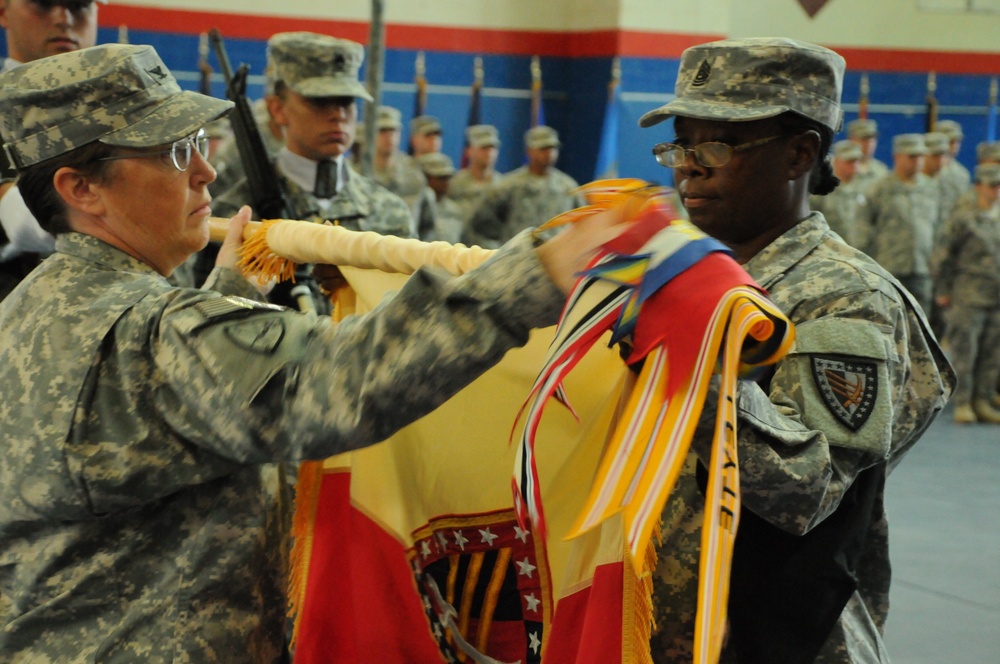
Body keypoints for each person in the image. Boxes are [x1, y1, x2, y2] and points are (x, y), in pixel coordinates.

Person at [0, 43, 624, 662]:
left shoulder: (38, 307)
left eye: (197, 144)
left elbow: (163, 411)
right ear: (80, 188)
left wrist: (231, 294)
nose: (204, 171)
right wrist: (533, 275)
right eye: (172, 151)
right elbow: (340, 380)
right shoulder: (149, 333)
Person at [637, 37, 953, 663]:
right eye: (681, 144)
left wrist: (687, 362)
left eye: (715, 146)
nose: (688, 167)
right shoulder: (688, 274)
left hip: (777, 639)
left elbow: (806, 491)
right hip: (662, 628)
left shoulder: (844, 298)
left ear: (799, 154)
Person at [209, 32, 414, 310]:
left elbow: (404, 311)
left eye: (346, 102)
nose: (338, 115)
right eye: (320, 101)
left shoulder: (390, 212)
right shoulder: (234, 216)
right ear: (277, 109)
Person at [0, 0, 102, 301]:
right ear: (4, 10)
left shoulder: (125, 110)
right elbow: (23, 222)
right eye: (44, 4)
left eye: (79, 5)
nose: (64, 18)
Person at [931, 163, 1000, 424]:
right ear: (979, 187)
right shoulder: (963, 217)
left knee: (992, 352)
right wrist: (943, 290)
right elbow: (942, 256)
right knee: (965, 352)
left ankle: (982, 400)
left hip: (996, 296)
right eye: (992, 185)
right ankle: (963, 402)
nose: (997, 191)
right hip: (968, 294)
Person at [856, 133, 940, 315]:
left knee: (921, 321)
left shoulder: (931, 187)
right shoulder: (880, 188)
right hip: (889, 267)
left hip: (922, 268)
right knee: (888, 318)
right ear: (897, 157)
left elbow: (939, 227)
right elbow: (862, 229)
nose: (917, 161)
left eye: (920, 156)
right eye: (912, 156)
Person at [464, 125, 583, 248]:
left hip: (556, 254)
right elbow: (483, 219)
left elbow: (582, 222)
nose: (549, 154)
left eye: (553, 149)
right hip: (518, 255)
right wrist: (507, 237)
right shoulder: (510, 184)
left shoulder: (567, 187)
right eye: (543, 149)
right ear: (530, 151)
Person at [372, 104, 428, 222]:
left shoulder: (413, 173)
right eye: (382, 131)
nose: (389, 137)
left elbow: (425, 220)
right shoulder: (358, 170)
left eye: (393, 131)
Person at [809, 139, 867, 245]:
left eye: (856, 160)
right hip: (831, 246)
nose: (854, 164)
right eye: (849, 161)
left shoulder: (867, 186)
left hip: (861, 249)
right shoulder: (823, 188)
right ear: (836, 161)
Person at [449, 123, 503, 224]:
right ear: (469, 151)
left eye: (493, 148)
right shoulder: (455, 183)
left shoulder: (502, 185)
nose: (489, 153)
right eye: (484, 148)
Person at [415, 151, 464, 243]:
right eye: (440, 178)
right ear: (425, 177)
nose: (445, 183)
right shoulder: (415, 207)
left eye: (447, 178)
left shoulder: (455, 210)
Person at [845, 118, 888, 192]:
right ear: (851, 139)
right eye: (864, 139)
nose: (869, 143)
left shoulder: (881, 170)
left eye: (872, 139)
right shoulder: (838, 168)